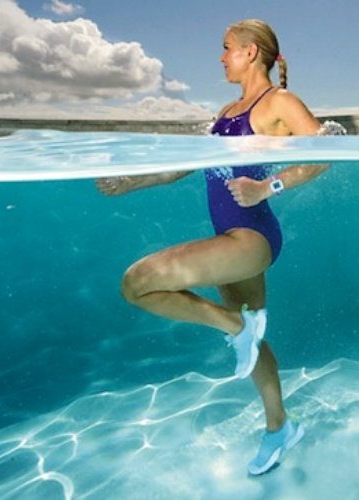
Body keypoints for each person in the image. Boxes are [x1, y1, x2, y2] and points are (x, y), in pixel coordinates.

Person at [96, 19, 329, 476]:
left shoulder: (279, 103)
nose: (221, 57)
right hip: (231, 241)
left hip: (252, 239)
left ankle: (233, 327)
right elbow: (182, 169)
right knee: (253, 337)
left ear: (251, 52)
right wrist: (129, 184)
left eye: (226, 49)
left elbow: (323, 156)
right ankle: (280, 426)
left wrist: (267, 186)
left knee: (136, 282)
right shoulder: (226, 111)